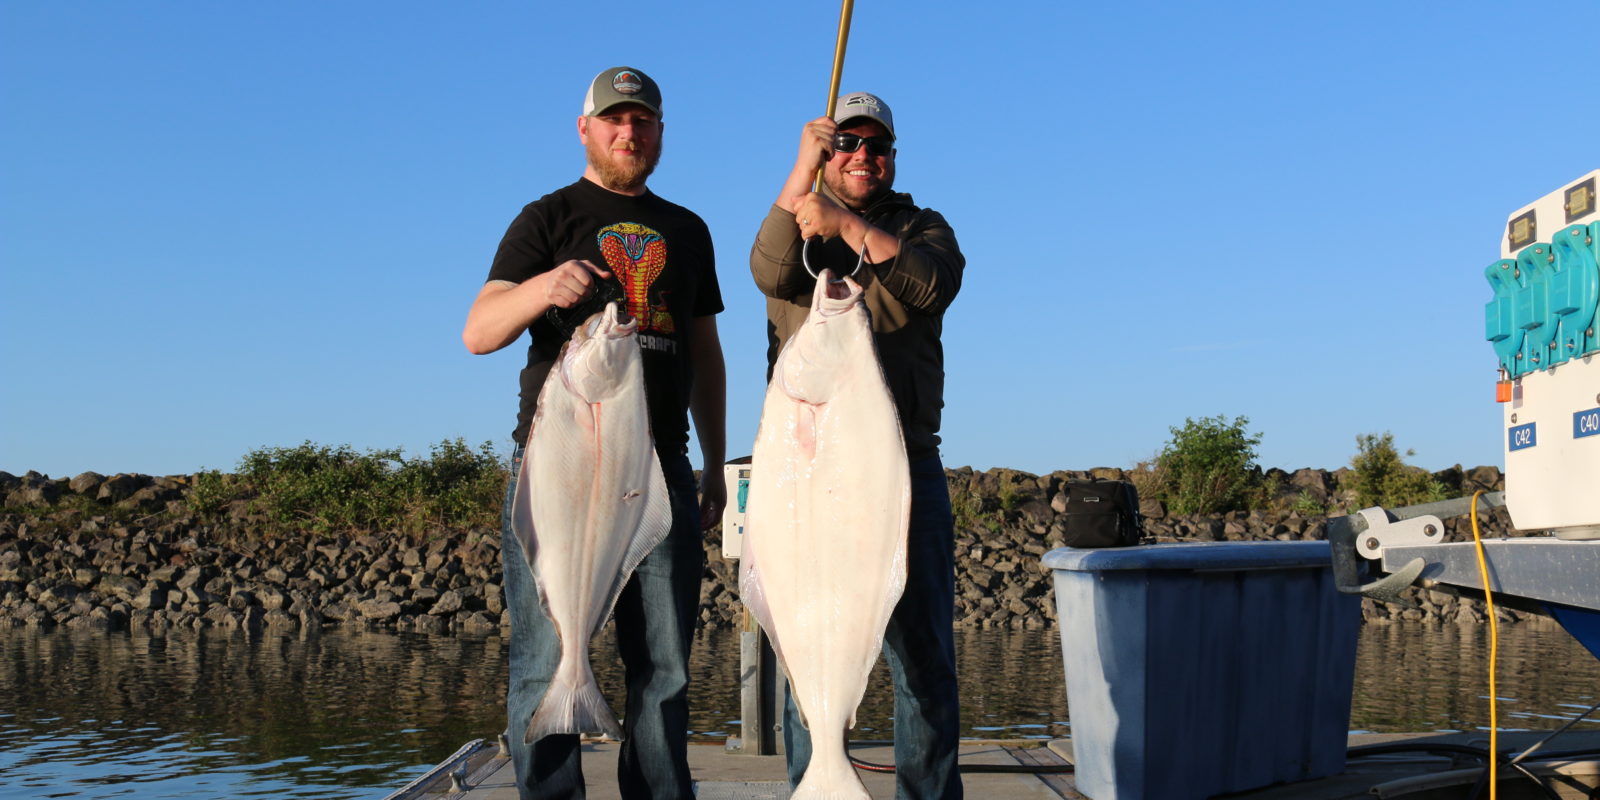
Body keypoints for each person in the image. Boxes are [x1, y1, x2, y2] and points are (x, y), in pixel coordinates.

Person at [462, 66, 726, 800]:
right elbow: (479, 331)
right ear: (585, 129)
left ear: (661, 132)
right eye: (614, 119)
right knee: (543, 663)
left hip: (660, 468)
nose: (628, 132)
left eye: (642, 120)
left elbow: (705, 354)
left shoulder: (689, 229)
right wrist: (543, 288)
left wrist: (712, 463)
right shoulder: (545, 217)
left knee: (665, 667)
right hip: (558, 468)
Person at [749, 91, 966, 799]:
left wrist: (847, 224)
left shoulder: (922, 227)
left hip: (903, 472)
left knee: (924, 661)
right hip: (804, 481)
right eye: (846, 143)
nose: (862, 155)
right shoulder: (798, 219)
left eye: (876, 145)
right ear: (826, 152)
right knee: (804, 650)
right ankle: (818, 779)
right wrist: (800, 174)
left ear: (893, 157)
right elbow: (769, 271)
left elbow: (932, 286)